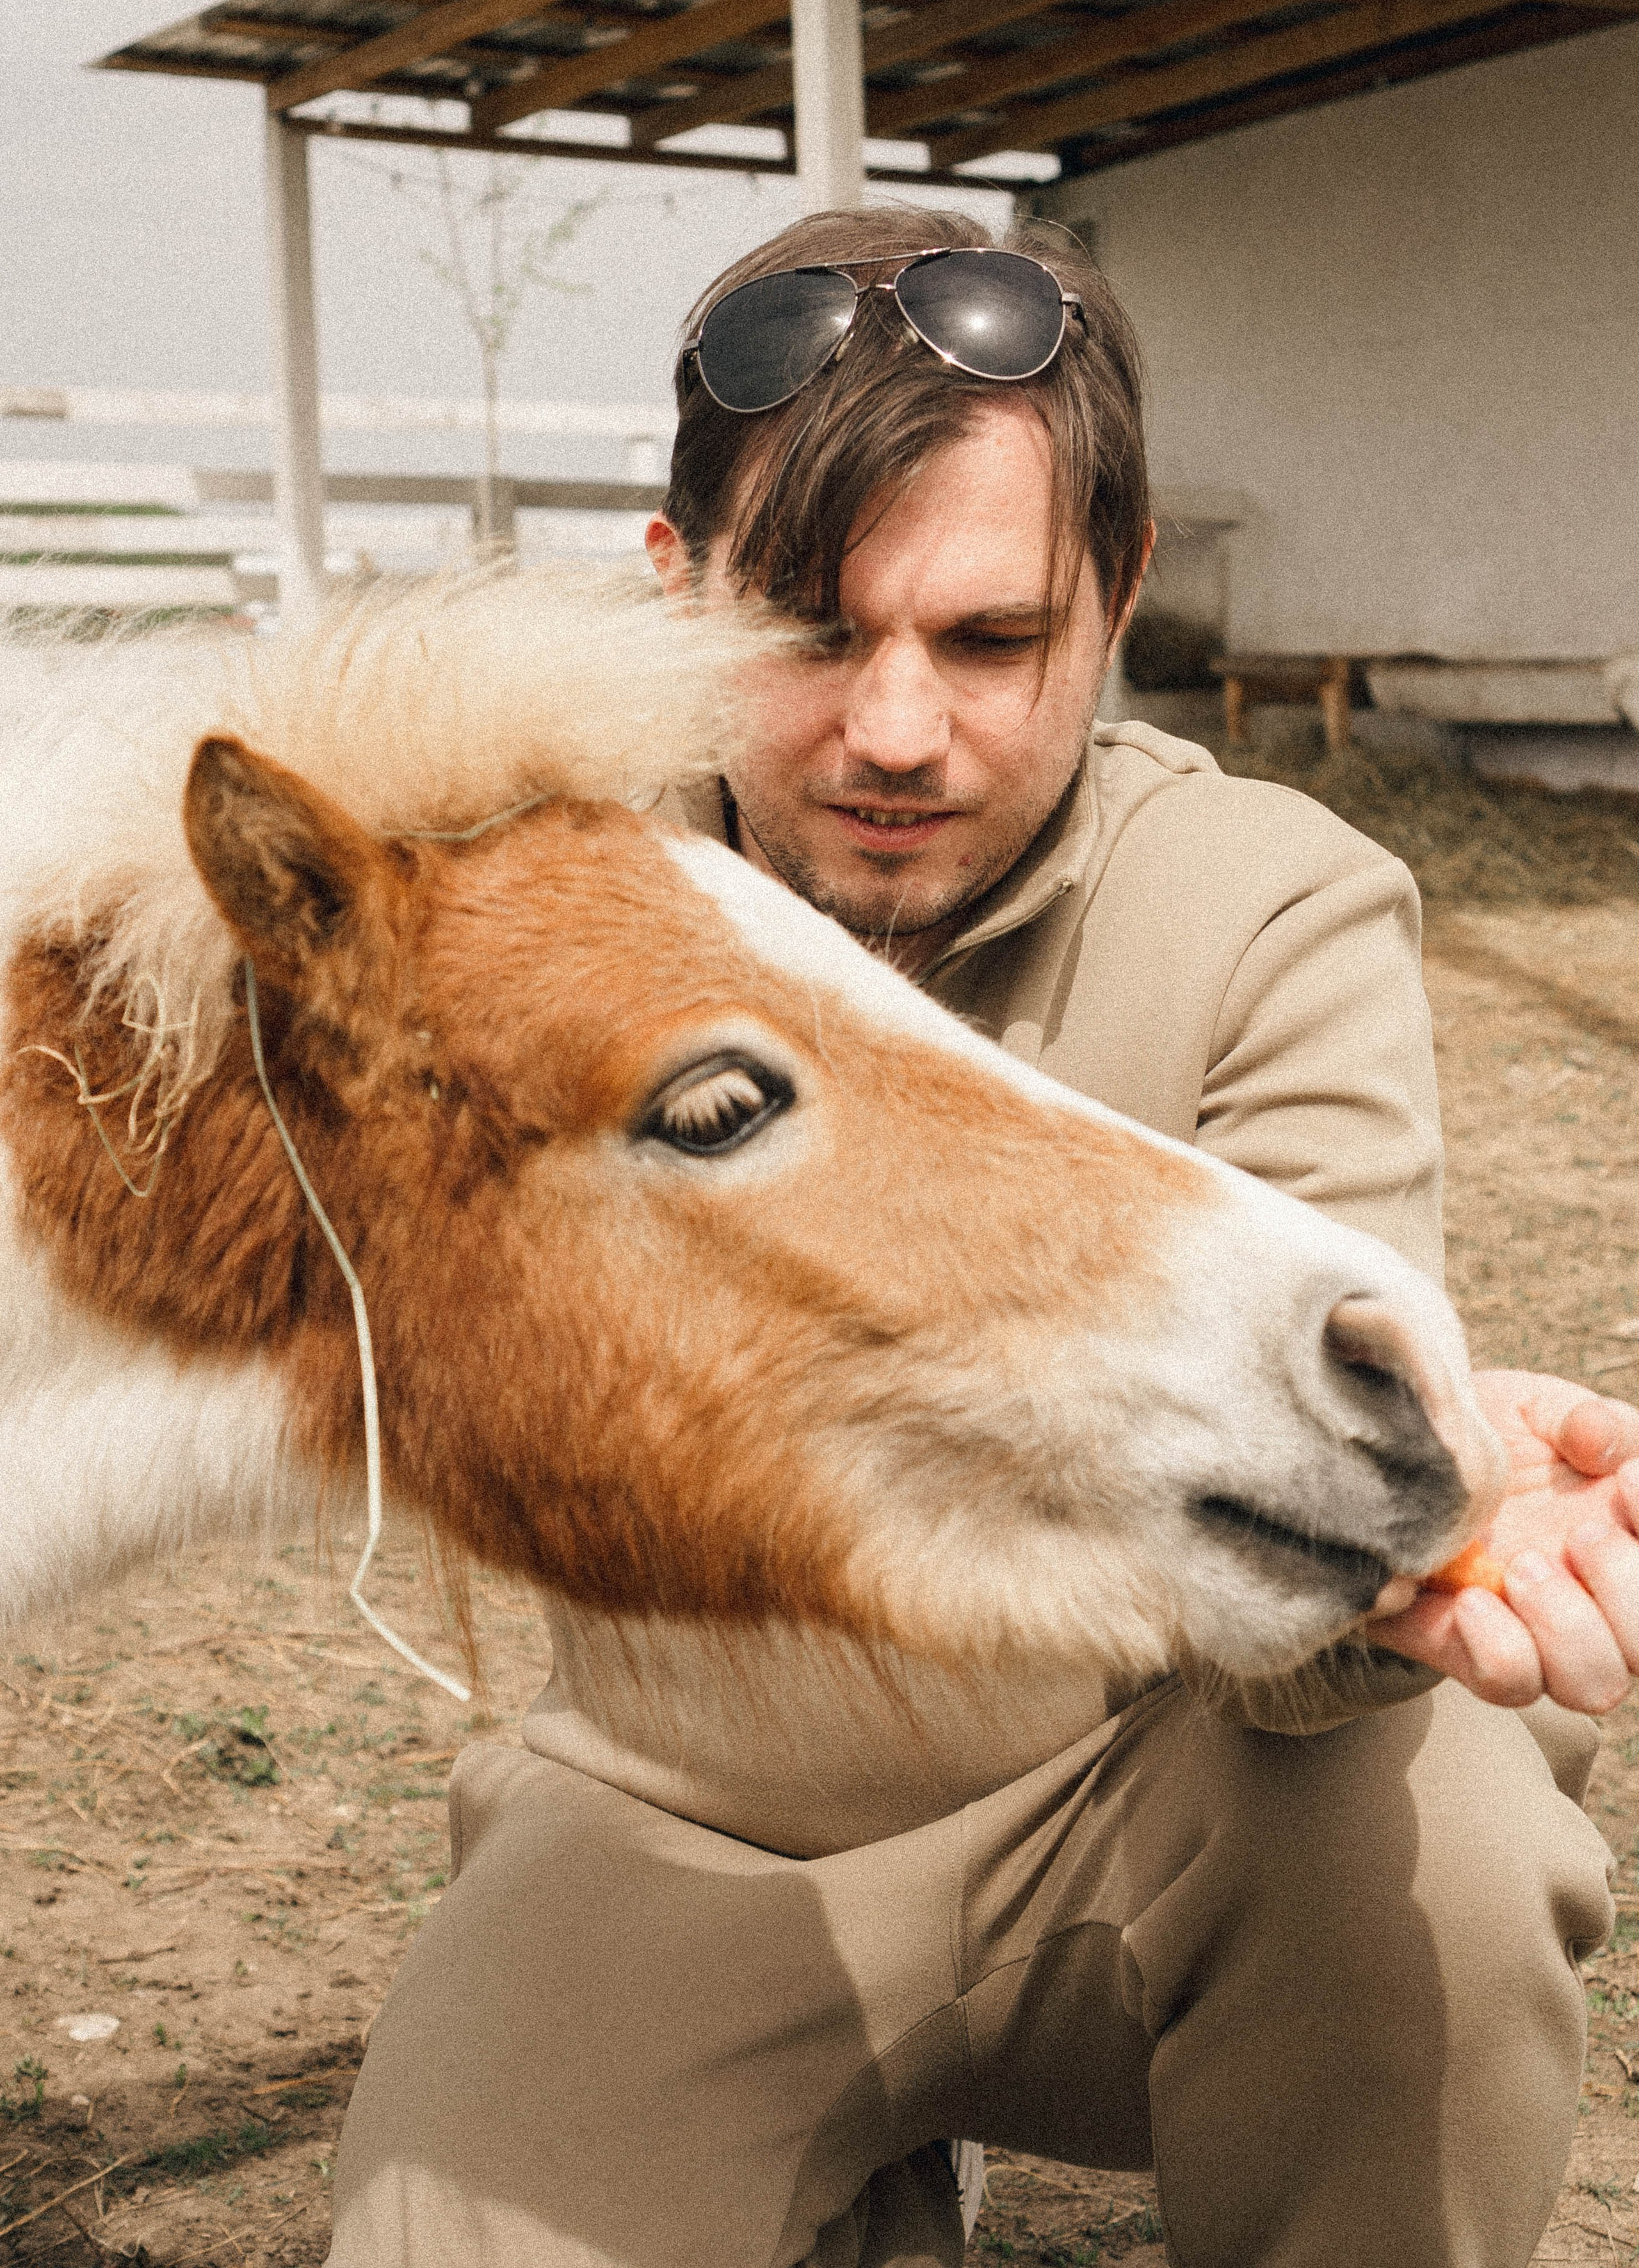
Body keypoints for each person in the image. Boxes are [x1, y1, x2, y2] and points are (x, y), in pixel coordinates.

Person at [326, 207, 1639, 2268]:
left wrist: (1394, 1554)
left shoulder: (1278, 910)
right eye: (807, 631)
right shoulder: (516, 919)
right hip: (673, 1833)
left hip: (1140, 1817)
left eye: (991, 640)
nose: (898, 731)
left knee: (1449, 1848)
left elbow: (1302, 1658)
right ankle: (824, 2159)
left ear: (1114, 600)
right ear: (666, 600)